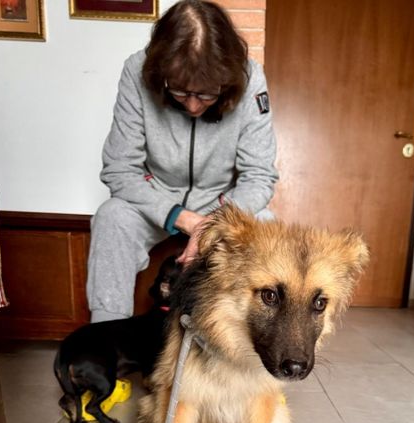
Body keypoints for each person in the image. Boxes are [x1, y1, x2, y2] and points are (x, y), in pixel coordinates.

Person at [86, 0, 278, 323]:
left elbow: (258, 176)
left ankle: (247, 345)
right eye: (179, 92)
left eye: (205, 94)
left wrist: (212, 223)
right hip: (156, 198)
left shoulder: (251, 78)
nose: (192, 106)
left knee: (266, 222)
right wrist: (183, 218)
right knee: (111, 217)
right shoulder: (136, 70)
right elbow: (120, 168)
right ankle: (105, 339)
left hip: (222, 203)